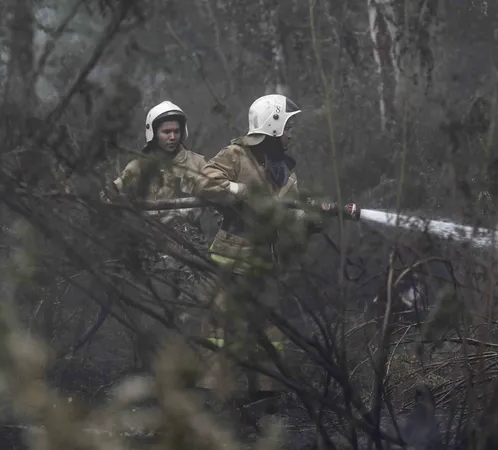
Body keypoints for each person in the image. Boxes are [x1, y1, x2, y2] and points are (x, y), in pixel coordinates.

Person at [192, 94, 357, 403]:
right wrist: (238, 190)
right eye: (288, 127)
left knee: (268, 329)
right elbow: (203, 182)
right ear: (273, 125)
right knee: (218, 324)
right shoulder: (236, 155)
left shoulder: (285, 173)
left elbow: (289, 220)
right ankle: (209, 394)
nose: (291, 134)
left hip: (263, 262)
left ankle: (265, 395)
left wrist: (314, 221)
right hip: (228, 257)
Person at [100, 100, 210, 371]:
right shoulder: (139, 167)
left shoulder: (198, 163)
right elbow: (108, 195)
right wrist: (116, 200)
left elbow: (216, 193)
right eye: (166, 132)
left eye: (176, 131)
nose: (172, 137)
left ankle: (193, 380)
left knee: (194, 315)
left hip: (191, 250)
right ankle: (157, 381)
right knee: (156, 317)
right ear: (153, 133)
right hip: (154, 250)